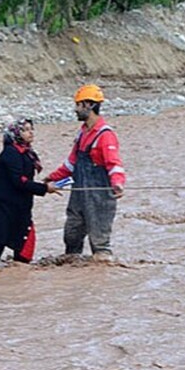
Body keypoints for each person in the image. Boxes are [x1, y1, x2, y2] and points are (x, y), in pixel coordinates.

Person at [45, 84, 127, 262]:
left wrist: (118, 183)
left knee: (100, 243)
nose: (75, 109)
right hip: (79, 194)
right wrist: (50, 178)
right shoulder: (82, 133)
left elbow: (114, 163)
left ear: (89, 105)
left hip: (100, 197)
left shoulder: (105, 135)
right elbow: (71, 165)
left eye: (78, 105)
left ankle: (101, 277)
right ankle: (73, 269)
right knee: (71, 235)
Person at [0, 119, 57, 266]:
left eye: (31, 129)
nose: (30, 132)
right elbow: (19, 181)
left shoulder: (27, 152)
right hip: (1, 203)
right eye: (25, 130)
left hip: (19, 203)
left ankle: (19, 274)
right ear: (15, 134)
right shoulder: (10, 153)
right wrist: (44, 189)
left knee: (25, 241)